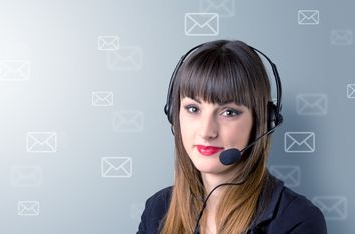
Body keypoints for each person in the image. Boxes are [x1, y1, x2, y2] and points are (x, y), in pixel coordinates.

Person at [137, 40, 327, 234]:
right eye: (193, 109)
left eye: (228, 112)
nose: (206, 131)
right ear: (173, 114)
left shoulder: (297, 220)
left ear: (262, 121)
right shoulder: (158, 209)